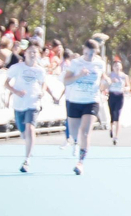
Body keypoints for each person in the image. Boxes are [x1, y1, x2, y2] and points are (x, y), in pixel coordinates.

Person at [61, 40, 106, 175]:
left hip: (91, 101)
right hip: (75, 100)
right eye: (87, 53)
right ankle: (75, 143)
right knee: (75, 133)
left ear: (96, 52)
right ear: (83, 51)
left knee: (85, 132)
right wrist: (79, 75)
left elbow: (102, 79)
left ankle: (80, 162)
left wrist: (106, 83)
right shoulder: (76, 63)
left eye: (92, 54)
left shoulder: (100, 64)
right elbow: (66, 81)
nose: (89, 56)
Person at [6, 43, 51, 172]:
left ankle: (27, 160)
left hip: (33, 103)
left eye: (35, 52)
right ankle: (29, 146)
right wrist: (16, 92)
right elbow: (6, 83)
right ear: (24, 53)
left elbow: (44, 84)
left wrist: (42, 91)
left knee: (30, 128)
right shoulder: (17, 68)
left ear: (38, 55)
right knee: (23, 132)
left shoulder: (40, 70)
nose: (32, 54)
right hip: (19, 103)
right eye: (30, 51)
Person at [105, 57, 128, 145]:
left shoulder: (124, 76)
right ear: (113, 67)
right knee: (112, 115)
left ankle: (116, 137)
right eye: (115, 66)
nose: (117, 67)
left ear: (121, 67)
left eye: (118, 66)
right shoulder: (110, 75)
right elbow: (106, 85)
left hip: (120, 96)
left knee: (118, 115)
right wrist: (111, 81)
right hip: (112, 95)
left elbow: (128, 86)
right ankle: (111, 129)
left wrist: (125, 88)